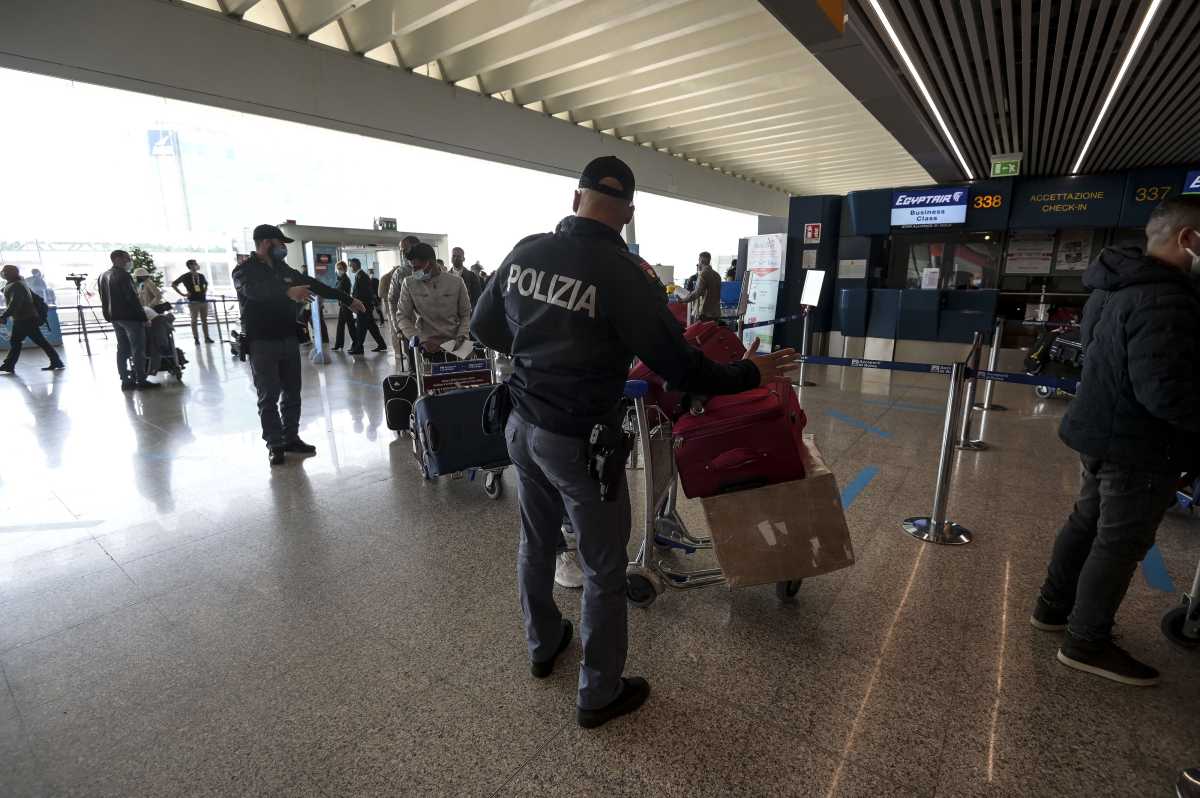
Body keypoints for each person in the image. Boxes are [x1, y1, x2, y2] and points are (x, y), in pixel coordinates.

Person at [471, 155, 798, 729]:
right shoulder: (627, 275)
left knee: (537, 541)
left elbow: (486, 328)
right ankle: (598, 692)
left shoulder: (526, 251)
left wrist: (540, 348)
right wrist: (753, 374)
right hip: (577, 439)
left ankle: (542, 644)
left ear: (576, 199)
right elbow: (682, 368)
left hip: (520, 425)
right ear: (627, 214)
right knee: (602, 568)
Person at [1032, 195, 1200, 687]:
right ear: (1187, 239)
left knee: (1087, 522)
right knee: (1119, 541)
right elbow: (1166, 391)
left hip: (1101, 427)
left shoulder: (1113, 284)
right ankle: (1085, 640)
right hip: (1139, 443)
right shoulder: (1166, 297)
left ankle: (1052, 607)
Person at [233, 224, 364, 466]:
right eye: (279, 242)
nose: (283, 247)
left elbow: (314, 284)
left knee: (292, 392)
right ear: (264, 243)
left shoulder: (284, 268)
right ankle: (275, 444)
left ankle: (290, 437)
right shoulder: (244, 270)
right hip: (262, 342)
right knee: (268, 395)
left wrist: (348, 300)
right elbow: (254, 292)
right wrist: (287, 291)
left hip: (287, 338)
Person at [396, 243, 472, 359]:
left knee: (463, 377)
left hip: (456, 343)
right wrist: (419, 340)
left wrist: (462, 336)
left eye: (417, 268)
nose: (413, 272)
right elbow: (402, 316)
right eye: (412, 267)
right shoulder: (409, 283)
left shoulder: (456, 282)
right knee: (427, 377)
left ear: (430, 263)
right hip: (426, 346)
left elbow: (465, 314)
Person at [98, 250, 158, 391]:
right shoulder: (124, 275)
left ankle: (125, 380)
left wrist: (109, 315)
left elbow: (103, 298)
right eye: (127, 258)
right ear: (118, 259)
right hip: (130, 318)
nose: (129, 261)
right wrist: (143, 318)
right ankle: (141, 380)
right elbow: (132, 299)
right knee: (138, 349)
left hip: (115, 317)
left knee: (122, 348)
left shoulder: (103, 275)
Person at [0, 264, 64, 374]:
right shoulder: (17, 283)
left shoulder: (17, 285)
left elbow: (15, 304)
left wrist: (4, 316)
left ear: (11, 273)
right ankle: (9, 365)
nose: (2, 273)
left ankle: (9, 365)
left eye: (4, 271)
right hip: (24, 318)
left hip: (25, 319)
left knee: (22, 341)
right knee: (18, 341)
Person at [132, 268, 171, 376]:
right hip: (146, 312)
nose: (136, 278)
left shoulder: (149, 283)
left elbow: (158, 296)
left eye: (137, 276)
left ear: (142, 276)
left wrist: (149, 306)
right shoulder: (142, 285)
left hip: (152, 312)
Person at [348, 258, 386, 354]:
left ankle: (359, 348)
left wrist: (357, 303)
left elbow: (365, 293)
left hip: (364, 306)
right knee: (372, 327)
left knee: (361, 328)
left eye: (351, 265)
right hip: (364, 306)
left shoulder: (362, 276)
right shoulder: (359, 276)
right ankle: (382, 344)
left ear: (356, 265)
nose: (350, 267)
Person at [171, 259, 214, 344]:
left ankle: (207, 337)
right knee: (194, 320)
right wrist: (183, 294)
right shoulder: (185, 276)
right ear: (190, 266)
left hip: (203, 300)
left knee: (204, 320)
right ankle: (196, 338)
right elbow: (173, 284)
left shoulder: (201, 276)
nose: (197, 265)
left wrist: (205, 290)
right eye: (195, 264)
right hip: (193, 301)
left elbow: (206, 283)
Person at [685, 251, 723, 322]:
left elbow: (696, 293)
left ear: (701, 261)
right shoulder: (717, 275)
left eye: (699, 261)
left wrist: (683, 300)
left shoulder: (703, 274)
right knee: (713, 332)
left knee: (702, 333)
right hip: (716, 313)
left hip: (705, 313)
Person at [331, 261, 355, 351]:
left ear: (345, 269)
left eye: (340, 269)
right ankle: (339, 344)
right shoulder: (340, 279)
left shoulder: (345, 279)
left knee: (350, 325)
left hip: (346, 305)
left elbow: (340, 290)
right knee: (341, 325)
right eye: (338, 269)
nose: (339, 270)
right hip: (343, 304)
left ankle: (356, 344)